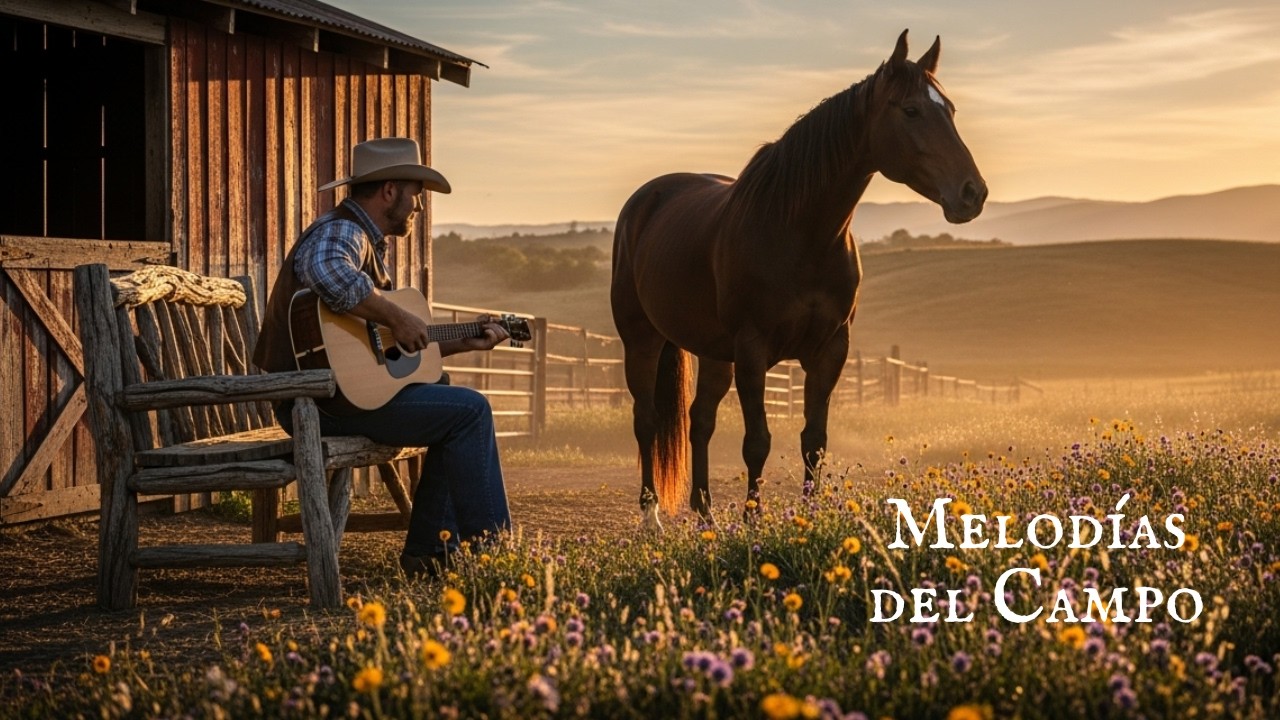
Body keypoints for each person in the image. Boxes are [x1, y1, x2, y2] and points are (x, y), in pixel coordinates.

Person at [254, 137, 511, 577]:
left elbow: (385, 351)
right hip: (316, 404)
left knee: (444, 392)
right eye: (416, 195)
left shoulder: (362, 240)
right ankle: (492, 555)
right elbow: (325, 271)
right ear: (390, 191)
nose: (419, 208)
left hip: (332, 398)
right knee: (469, 412)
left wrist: (463, 341)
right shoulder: (344, 231)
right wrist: (396, 314)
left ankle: (431, 551)